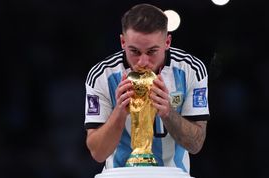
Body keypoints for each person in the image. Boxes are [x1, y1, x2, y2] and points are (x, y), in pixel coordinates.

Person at [84, 3, 209, 173]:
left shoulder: (191, 70)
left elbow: (196, 144)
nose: (143, 62)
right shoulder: (101, 75)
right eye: (134, 51)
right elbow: (98, 153)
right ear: (122, 42)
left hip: (172, 174)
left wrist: (168, 112)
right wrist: (119, 112)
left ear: (167, 42)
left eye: (151, 52)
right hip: (120, 174)